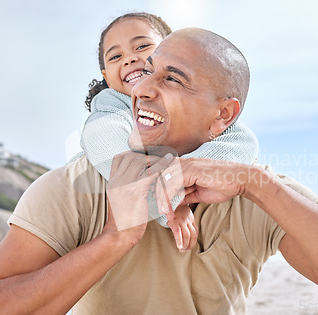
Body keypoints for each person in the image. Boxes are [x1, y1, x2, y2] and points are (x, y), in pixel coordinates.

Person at [0, 28, 318, 314]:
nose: (142, 87)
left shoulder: (257, 192)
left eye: (172, 78)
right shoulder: (73, 188)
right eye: (145, 70)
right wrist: (116, 237)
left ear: (224, 116)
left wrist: (258, 184)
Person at [79, 12, 259, 251]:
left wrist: (185, 174)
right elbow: (106, 146)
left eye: (142, 46)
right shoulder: (110, 104)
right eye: (115, 56)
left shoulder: (200, 110)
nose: (129, 60)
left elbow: (243, 141)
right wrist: (169, 203)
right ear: (106, 77)